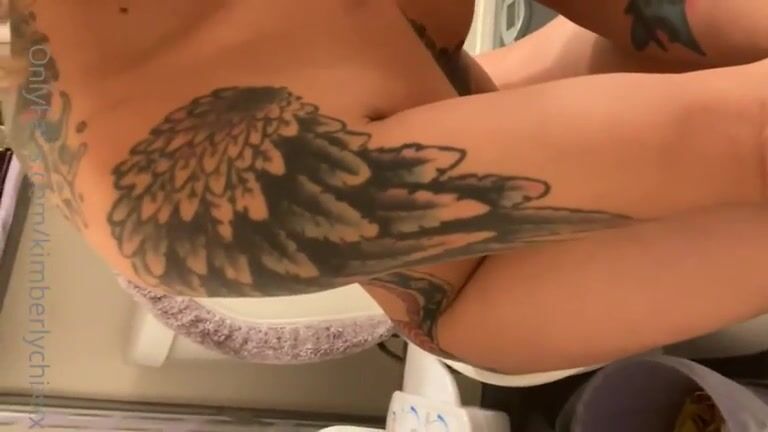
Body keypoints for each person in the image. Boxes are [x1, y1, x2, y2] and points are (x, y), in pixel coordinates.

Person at [6, 0, 768, 374]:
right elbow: (738, 140)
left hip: (440, 99)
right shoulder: (162, 164)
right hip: (482, 284)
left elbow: (648, 15)